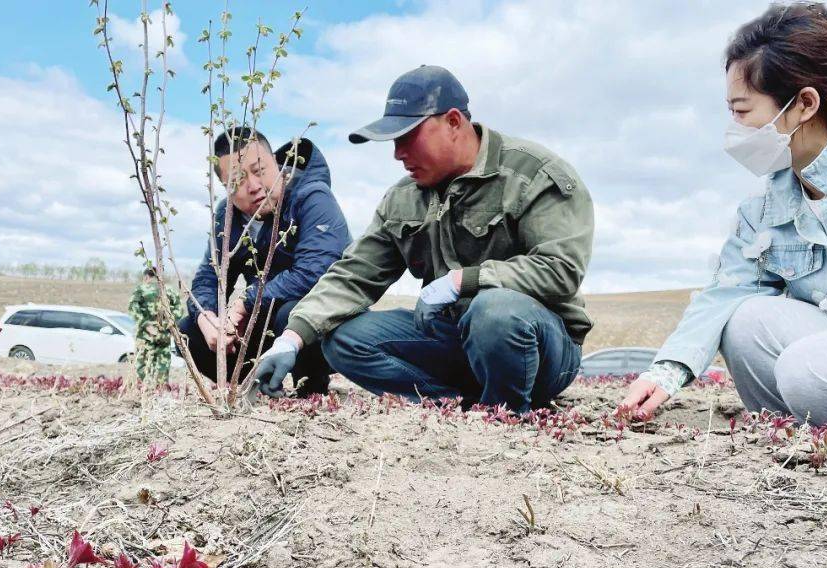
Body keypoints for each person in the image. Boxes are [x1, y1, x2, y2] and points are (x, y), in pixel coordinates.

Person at [620, 3, 827, 428]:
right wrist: (667, 371)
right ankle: (810, 443)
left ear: (804, 104)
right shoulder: (766, 206)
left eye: (742, 110)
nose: (733, 128)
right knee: (745, 323)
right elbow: (725, 290)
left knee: (806, 369)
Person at [254, 66, 593, 413]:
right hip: (453, 339)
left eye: (407, 136)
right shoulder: (402, 198)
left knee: (494, 312)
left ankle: (503, 411)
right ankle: (456, 405)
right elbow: (353, 275)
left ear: (454, 122)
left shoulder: (534, 175)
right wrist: (290, 339)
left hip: (540, 347)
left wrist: (465, 281)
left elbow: (560, 270)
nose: (398, 154)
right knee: (342, 338)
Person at [178, 128, 349, 395]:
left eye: (260, 170)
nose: (254, 185)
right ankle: (252, 386)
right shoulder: (227, 215)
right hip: (267, 319)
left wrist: (247, 302)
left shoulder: (313, 197)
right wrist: (207, 318)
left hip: (324, 321)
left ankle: (312, 392)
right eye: (237, 180)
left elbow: (316, 273)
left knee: (291, 311)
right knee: (188, 329)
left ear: (276, 163)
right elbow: (208, 278)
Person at [129, 267, 182, 385]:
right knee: (163, 364)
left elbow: (132, 308)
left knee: (142, 364)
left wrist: (146, 325)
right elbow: (179, 310)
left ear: (146, 277)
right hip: (164, 335)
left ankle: (145, 390)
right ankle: (160, 391)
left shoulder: (141, 289)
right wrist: (168, 325)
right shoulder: (169, 290)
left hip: (145, 336)